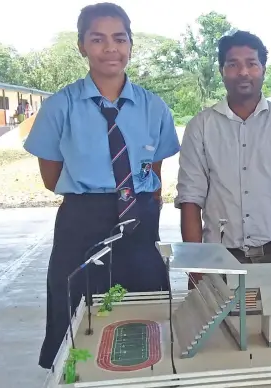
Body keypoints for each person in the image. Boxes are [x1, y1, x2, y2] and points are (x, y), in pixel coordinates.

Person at [24, 2, 180, 369]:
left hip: (139, 221)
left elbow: (152, 173)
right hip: (82, 222)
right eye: (98, 39)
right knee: (76, 315)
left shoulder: (153, 107)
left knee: (144, 316)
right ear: (82, 46)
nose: (110, 48)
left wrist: (136, 203)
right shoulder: (60, 107)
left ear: (130, 44)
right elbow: (51, 177)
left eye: (119, 38)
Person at [175, 30, 271, 272]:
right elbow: (190, 199)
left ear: (263, 69)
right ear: (222, 70)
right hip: (219, 258)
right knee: (220, 312)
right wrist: (195, 267)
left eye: (251, 64)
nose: (243, 72)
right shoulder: (201, 126)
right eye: (233, 64)